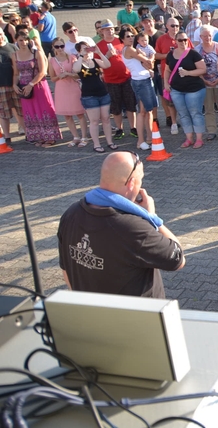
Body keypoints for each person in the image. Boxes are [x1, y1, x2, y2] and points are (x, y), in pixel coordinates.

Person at [57, 151, 185, 298]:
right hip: (138, 312)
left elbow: (66, 269)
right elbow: (178, 259)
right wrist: (152, 218)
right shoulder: (134, 228)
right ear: (131, 183)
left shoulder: (71, 213)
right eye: (140, 179)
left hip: (89, 309)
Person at [12, 30, 60, 146]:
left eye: (25, 40)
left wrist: (31, 84)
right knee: (31, 112)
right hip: (24, 88)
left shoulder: (36, 52)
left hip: (38, 85)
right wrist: (14, 84)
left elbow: (43, 71)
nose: (23, 42)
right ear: (16, 41)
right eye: (21, 40)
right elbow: (16, 73)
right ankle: (39, 137)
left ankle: (50, 137)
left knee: (44, 110)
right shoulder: (15, 55)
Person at [96, 20, 137, 141]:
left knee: (130, 104)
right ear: (102, 31)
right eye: (107, 29)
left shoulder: (121, 41)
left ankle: (133, 128)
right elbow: (97, 64)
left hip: (127, 77)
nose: (110, 31)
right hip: (110, 80)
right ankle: (119, 129)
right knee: (116, 106)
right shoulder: (99, 46)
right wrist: (107, 56)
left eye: (111, 29)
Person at [166, 30, 207, 149]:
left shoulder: (193, 53)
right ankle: (189, 138)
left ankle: (199, 139)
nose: (183, 42)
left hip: (194, 89)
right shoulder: (171, 54)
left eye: (185, 40)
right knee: (183, 114)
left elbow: (203, 69)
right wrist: (165, 83)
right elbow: (167, 70)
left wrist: (188, 73)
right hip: (177, 89)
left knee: (195, 113)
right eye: (180, 40)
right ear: (175, 41)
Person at [73, 42, 115, 152]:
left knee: (106, 119)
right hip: (89, 96)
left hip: (102, 93)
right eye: (84, 49)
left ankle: (110, 142)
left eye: (87, 48)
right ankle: (96, 144)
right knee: (94, 121)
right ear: (79, 51)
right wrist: (81, 55)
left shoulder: (95, 61)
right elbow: (76, 69)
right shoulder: (79, 62)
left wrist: (99, 52)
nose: (87, 50)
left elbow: (107, 65)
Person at [121, 31, 157, 150]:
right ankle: (140, 141)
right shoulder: (129, 49)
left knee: (149, 110)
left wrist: (149, 61)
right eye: (128, 36)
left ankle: (150, 137)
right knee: (142, 111)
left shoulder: (135, 49)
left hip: (146, 79)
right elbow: (148, 62)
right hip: (140, 81)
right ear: (122, 39)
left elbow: (150, 64)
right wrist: (149, 59)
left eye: (132, 36)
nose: (131, 38)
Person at [194, 24, 218, 141]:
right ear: (200, 37)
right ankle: (211, 131)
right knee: (209, 109)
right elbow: (196, 67)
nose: (207, 38)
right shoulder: (197, 50)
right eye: (204, 36)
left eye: (209, 35)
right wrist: (203, 80)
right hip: (205, 83)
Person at [155, 18, 184, 133]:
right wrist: (168, 55)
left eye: (177, 25)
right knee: (170, 100)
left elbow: (191, 52)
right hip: (168, 74)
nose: (175, 28)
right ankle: (173, 122)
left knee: (185, 99)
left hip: (183, 74)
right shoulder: (161, 39)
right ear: (167, 26)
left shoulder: (183, 38)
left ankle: (186, 122)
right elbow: (156, 55)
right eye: (172, 26)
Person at [0, 32, 25, 140]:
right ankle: (7, 137)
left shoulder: (12, 47)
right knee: (4, 113)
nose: (0, 37)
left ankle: (27, 134)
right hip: (1, 86)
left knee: (21, 110)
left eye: (1, 34)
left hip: (16, 84)